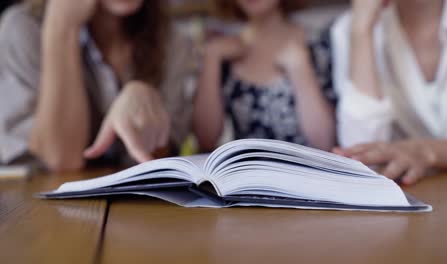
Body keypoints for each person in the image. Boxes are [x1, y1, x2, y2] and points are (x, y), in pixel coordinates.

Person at [0, 0, 191, 171]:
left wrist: (146, 101)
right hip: (36, 203)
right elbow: (60, 159)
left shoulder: (170, 38)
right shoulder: (23, 28)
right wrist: (62, 27)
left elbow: (162, 160)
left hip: (136, 204)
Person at [331, 0, 447, 185]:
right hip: (428, 195)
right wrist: (362, 29)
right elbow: (362, 161)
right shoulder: (350, 28)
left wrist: (426, 151)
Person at [193, 0, 336, 152]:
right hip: (245, 173)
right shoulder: (222, 54)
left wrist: (300, 70)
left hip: (308, 172)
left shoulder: (318, 44)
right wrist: (211, 57)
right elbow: (205, 141)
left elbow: (325, 144)